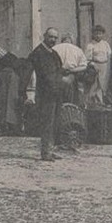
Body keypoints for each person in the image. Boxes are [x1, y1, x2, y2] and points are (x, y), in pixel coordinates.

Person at [30, 27, 64, 162]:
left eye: (55, 37)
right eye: (50, 37)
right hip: (45, 93)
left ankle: (51, 149)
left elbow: (59, 70)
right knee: (47, 122)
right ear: (44, 36)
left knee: (55, 121)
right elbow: (45, 75)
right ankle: (45, 152)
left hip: (56, 92)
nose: (53, 40)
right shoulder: (38, 53)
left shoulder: (54, 53)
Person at [0, 53, 33, 135]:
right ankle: (12, 126)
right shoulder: (20, 69)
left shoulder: (4, 71)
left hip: (5, 78)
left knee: (3, 102)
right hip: (11, 78)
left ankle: (5, 126)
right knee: (11, 102)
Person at [53, 34, 88, 104]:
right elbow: (84, 66)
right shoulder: (77, 50)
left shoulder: (54, 48)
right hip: (70, 74)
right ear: (72, 41)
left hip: (56, 75)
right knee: (71, 95)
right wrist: (72, 70)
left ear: (62, 40)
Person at [84, 25, 112, 103]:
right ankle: (94, 103)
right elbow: (86, 59)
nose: (98, 35)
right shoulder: (90, 45)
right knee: (95, 86)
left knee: (105, 85)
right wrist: (93, 64)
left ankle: (104, 102)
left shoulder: (106, 44)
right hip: (95, 67)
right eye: (96, 33)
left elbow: (109, 56)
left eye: (100, 33)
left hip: (105, 66)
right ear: (93, 34)